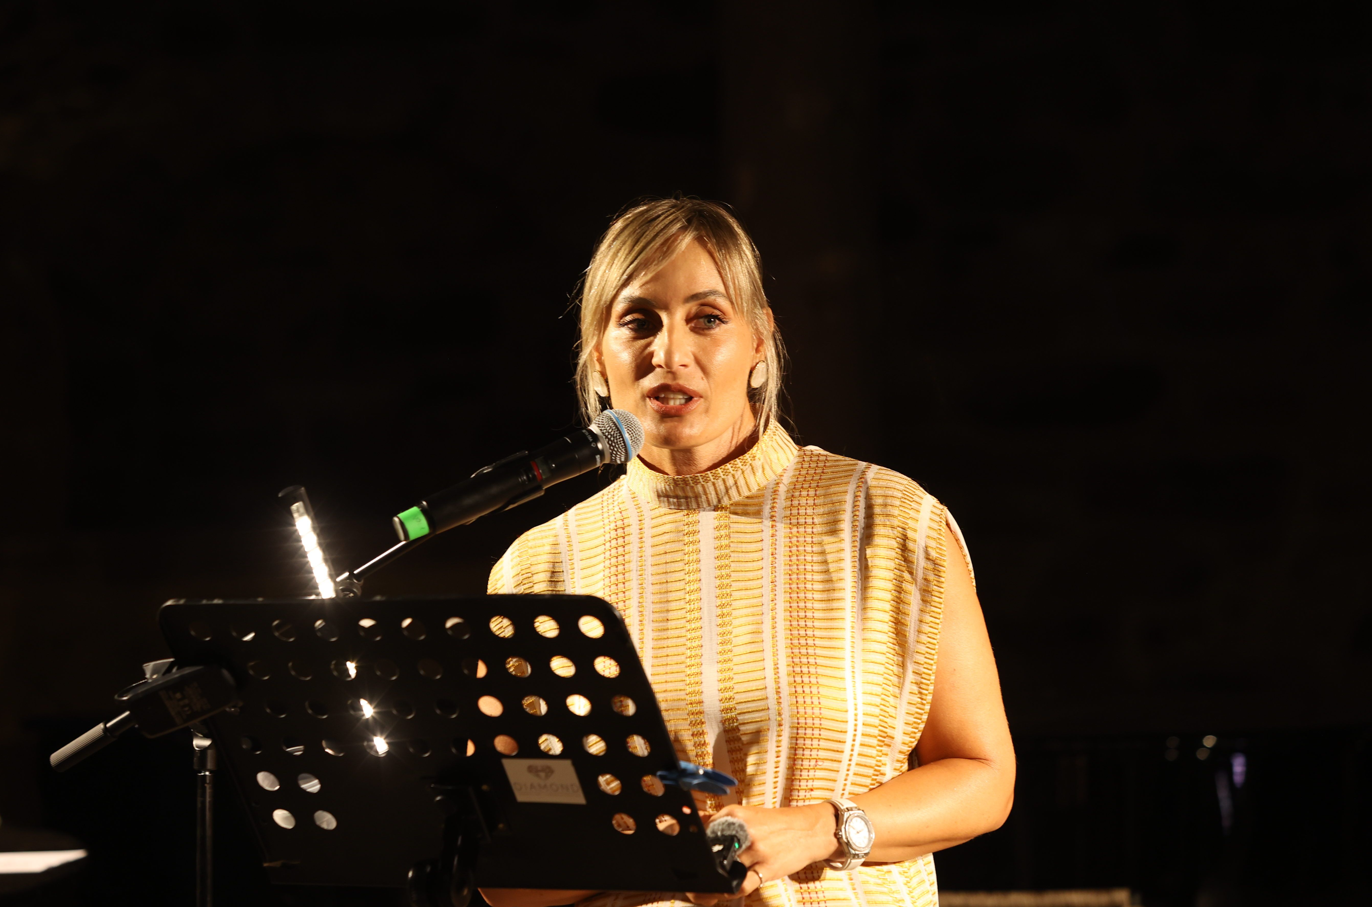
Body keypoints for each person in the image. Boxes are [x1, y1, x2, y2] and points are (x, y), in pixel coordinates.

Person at [481, 198, 1014, 907]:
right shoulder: (536, 568)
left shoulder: (890, 521)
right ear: (598, 357)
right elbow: (507, 878)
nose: (670, 354)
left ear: (761, 341)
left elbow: (984, 777)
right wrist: (659, 845)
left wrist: (823, 828)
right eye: (638, 321)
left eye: (707, 318)